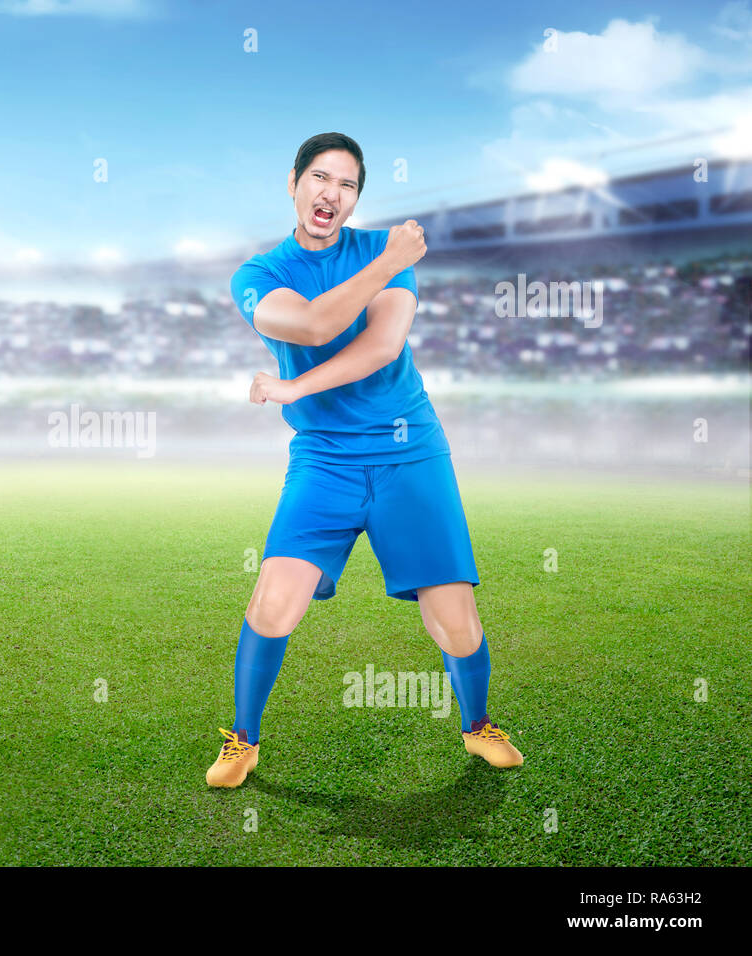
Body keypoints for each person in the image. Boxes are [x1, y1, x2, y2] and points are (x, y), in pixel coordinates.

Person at [207, 132, 523, 789]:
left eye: (347, 185)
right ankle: (244, 739)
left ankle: (478, 725)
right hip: (325, 458)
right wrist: (387, 264)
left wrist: (294, 386)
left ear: (357, 199)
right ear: (292, 183)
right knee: (273, 602)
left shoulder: (384, 248)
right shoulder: (258, 275)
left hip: (411, 451)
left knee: (455, 619)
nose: (332, 193)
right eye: (320, 178)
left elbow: (382, 346)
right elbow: (316, 325)